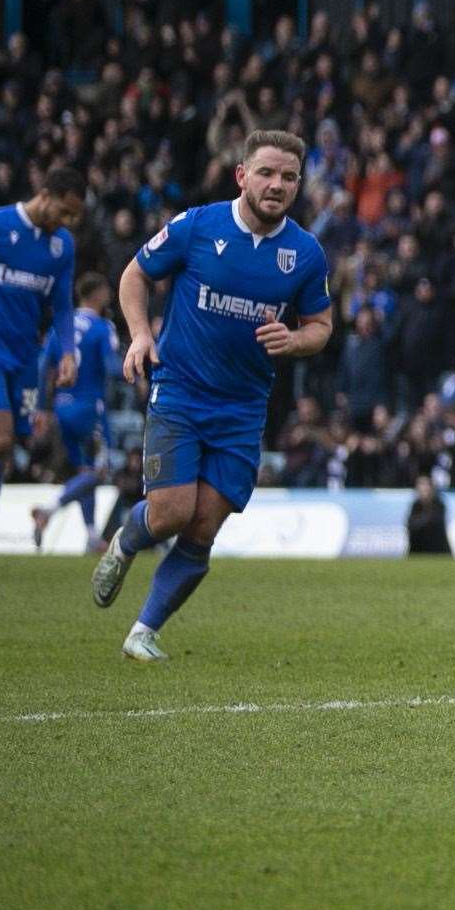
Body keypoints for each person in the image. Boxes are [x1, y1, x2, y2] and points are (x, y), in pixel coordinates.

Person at [91, 132, 333, 661]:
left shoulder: (306, 254)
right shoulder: (198, 226)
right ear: (242, 175)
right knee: (173, 511)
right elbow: (135, 274)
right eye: (267, 172)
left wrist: (293, 340)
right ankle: (127, 541)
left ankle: (143, 631)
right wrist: (139, 334)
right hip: (180, 390)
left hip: (245, 408)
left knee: (204, 524)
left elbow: (321, 325)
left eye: (289, 177)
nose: (278, 185)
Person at [0, 168, 86, 579]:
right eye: (63, 212)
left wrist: (67, 352)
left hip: (26, 360)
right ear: (45, 194)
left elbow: (63, 306)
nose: (65, 223)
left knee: (10, 448)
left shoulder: (61, 246)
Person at [30, 272, 120, 555]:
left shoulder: (62, 328)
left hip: (61, 407)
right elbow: (113, 367)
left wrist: (42, 407)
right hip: (90, 407)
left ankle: (92, 536)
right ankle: (49, 509)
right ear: (99, 294)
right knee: (101, 471)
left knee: (83, 471)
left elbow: (44, 365)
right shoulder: (102, 327)